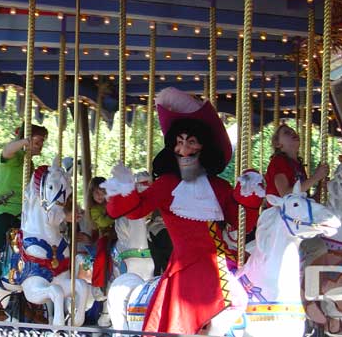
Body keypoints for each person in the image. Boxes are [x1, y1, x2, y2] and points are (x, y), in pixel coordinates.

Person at [101, 87, 264, 334]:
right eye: (179, 142)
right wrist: (123, 191)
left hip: (222, 260)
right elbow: (137, 210)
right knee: (237, 300)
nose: (184, 149)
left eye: (191, 142)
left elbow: (240, 221)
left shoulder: (218, 186)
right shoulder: (167, 184)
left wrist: (248, 193)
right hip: (190, 264)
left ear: (202, 148)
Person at [0, 123, 47, 321]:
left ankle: (32, 302)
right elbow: (7, 149)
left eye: (41, 142)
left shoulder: (31, 167)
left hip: (24, 215)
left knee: (38, 248)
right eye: (37, 141)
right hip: (4, 211)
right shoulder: (11, 159)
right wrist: (23, 142)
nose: (40, 146)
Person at [265, 123, 329, 197]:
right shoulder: (278, 162)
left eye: (293, 131)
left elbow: (304, 200)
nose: (293, 133)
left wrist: (320, 185)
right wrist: (316, 177)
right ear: (278, 144)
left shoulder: (298, 165)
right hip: (281, 208)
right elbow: (285, 194)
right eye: (287, 132)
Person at [86, 176, 115, 291]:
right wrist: (115, 214)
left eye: (103, 192)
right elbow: (103, 222)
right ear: (91, 194)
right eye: (96, 192)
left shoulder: (110, 204)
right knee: (102, 254)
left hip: (119, 234)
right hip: (104, 236)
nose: (99, 195)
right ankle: (98, 283)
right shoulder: (94, 209)